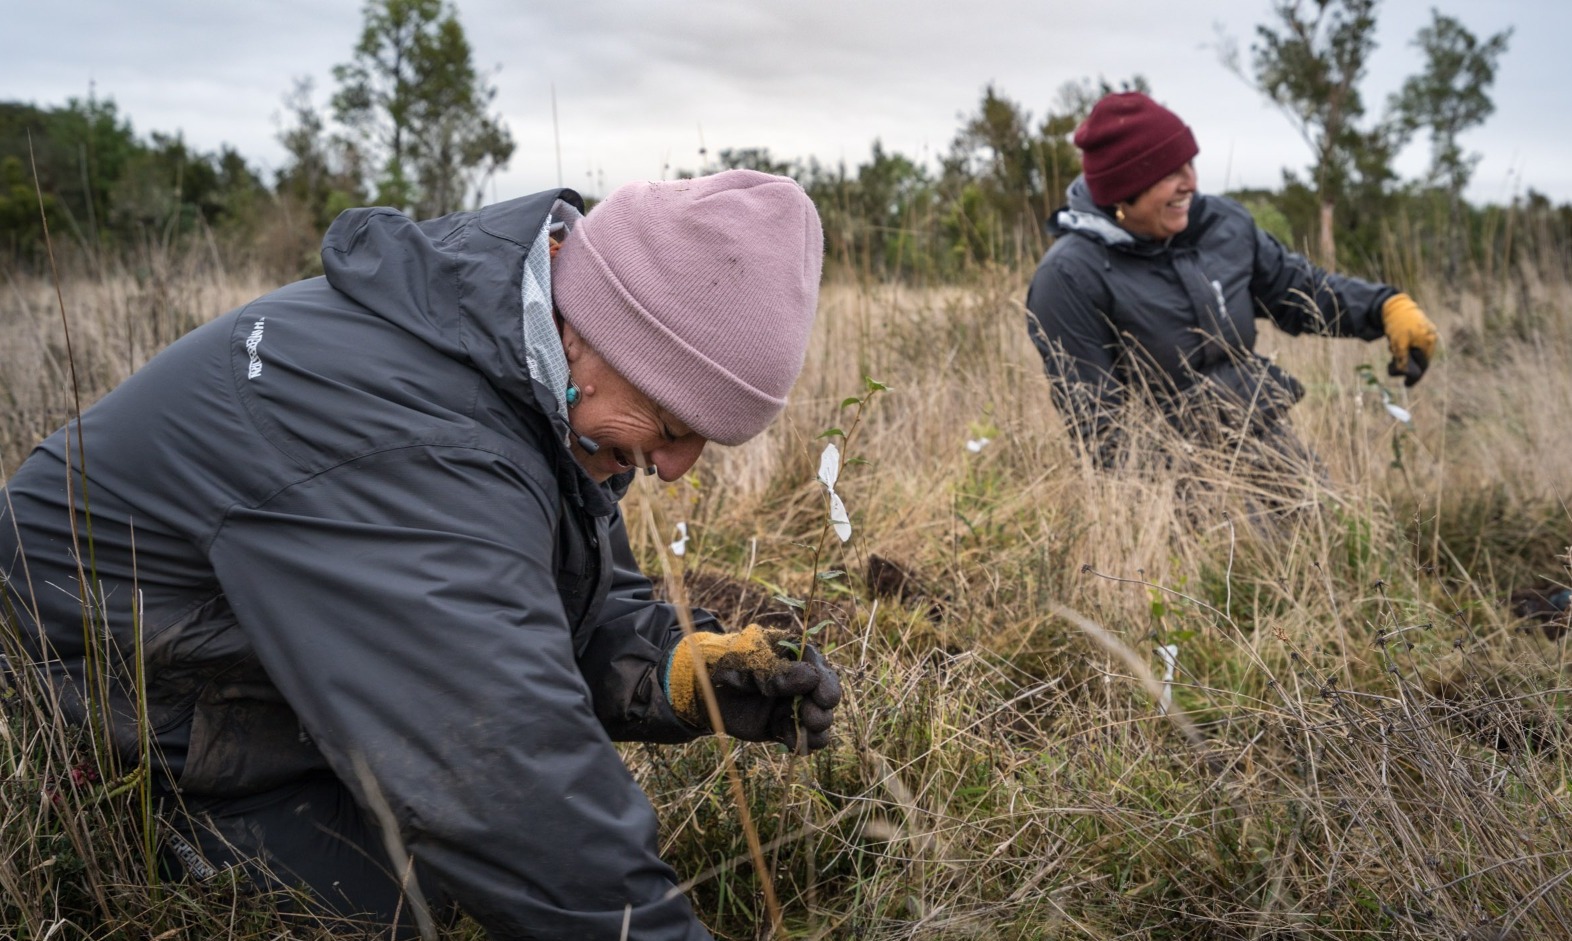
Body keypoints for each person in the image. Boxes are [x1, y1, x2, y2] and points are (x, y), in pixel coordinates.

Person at [0, 169, 841, 939]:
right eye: (672, 426)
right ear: (599, 330)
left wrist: (679, 673)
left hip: (237, 688)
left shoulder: (518, 371)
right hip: (75, 704)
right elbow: (504, 768)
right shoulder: (413, 430)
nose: (673, 467)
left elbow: (555, 610)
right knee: (402, 903)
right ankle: (141, 829)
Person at [1025, 91, 1439, 472]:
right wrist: (1203, 508)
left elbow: (1300, 291)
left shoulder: (1221, 225)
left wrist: (1384, 307)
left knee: (1330, 536)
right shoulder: (1068, 278)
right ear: (1122, 191)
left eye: (1190, 163)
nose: (1190, 183)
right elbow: (1102, 434)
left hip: (1262, 442)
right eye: (1169, 174)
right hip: (1165, 483)